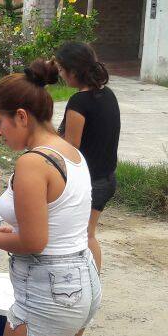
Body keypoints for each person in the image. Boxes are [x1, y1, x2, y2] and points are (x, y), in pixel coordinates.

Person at [0, 60, 102, 336]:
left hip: (49, 289)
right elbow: (56, 220)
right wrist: (11, 230)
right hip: (81, 281)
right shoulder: (69, 152)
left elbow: (34, 241)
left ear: (21, 116)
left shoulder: (32, 162)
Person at [54, 42, 119, 270]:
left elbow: (71, 145)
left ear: (73, 71)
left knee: (85, 235)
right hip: (106, 177)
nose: (60, 75)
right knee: (87, 234)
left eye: (62, 69)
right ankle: (92, 283)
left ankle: (91, 284)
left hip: (91, 181)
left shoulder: (79, 102)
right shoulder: (107, 94)